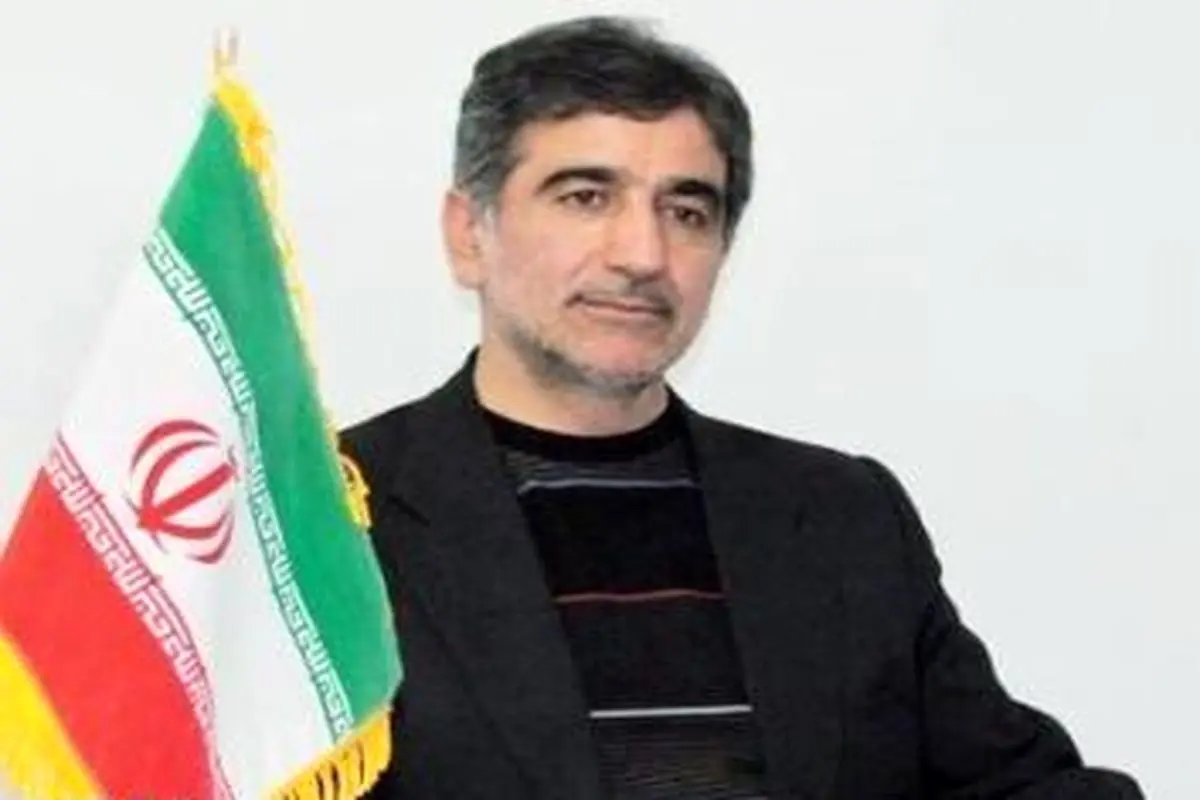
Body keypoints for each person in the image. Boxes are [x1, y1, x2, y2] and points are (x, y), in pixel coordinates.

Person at [342, 15, 1142, 799]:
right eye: (586, 197)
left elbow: (1024, 783)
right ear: (468, 234)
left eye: (686, 212)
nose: (643, 255)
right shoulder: (326, 524)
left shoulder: (843, 514)